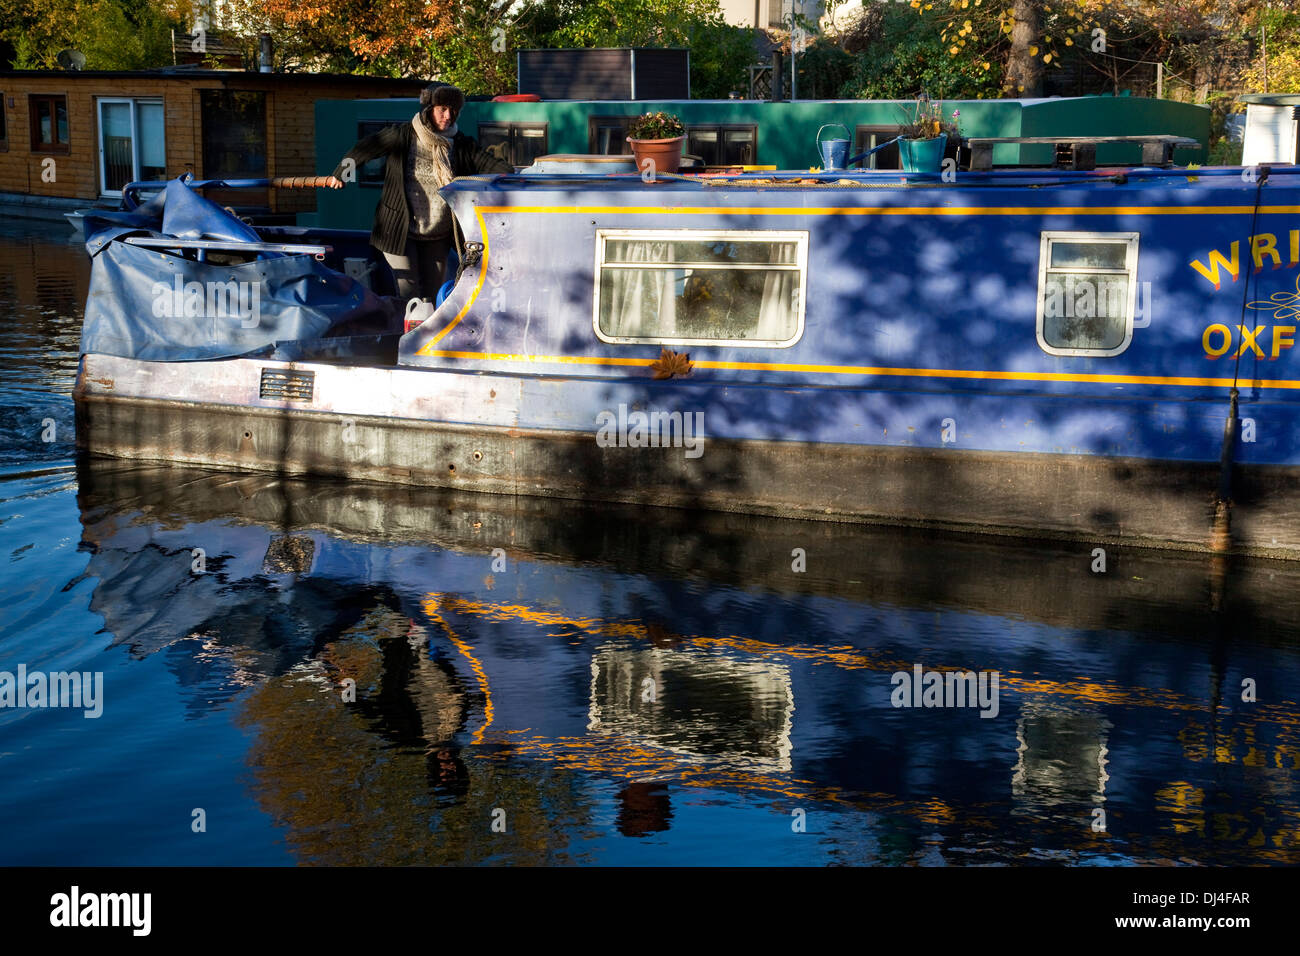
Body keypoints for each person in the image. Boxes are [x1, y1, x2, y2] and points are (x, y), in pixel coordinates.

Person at [327, 84, 510, 300]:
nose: (448, 116)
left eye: (453, 110)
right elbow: (366, 148)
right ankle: (404, 333)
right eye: (442, 109)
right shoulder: (404, 135)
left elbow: (491, 165)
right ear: (430, 108)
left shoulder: (461, 145)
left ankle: (430, 333)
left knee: (434, 293)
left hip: (438, 233)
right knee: (409, 293)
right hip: (401, 229)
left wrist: (521, 176)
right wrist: (341, 173)